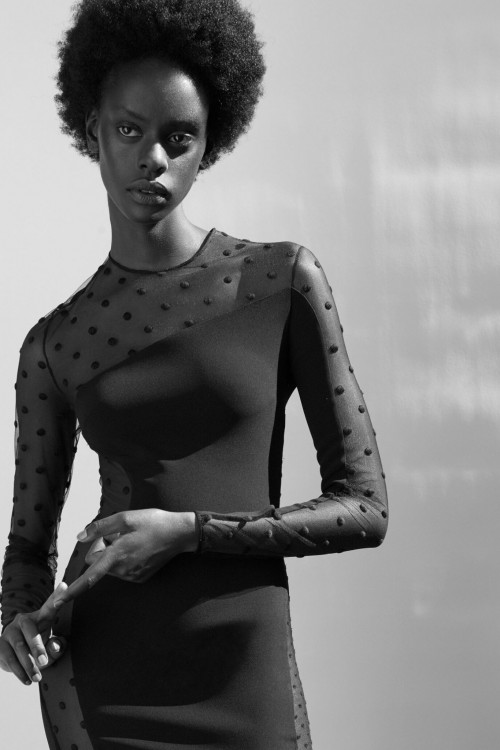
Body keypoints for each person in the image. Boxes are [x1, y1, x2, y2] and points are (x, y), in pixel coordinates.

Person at [0, 0, 388, 747]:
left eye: (179, 138)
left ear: (209, 144)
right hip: (100, 686)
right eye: (129, 130)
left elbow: (366, 509)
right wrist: (18, 621)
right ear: (92, 132)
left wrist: (189, 533)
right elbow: (25, 551)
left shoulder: (279, 282)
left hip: (246, 671)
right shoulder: (54, 343)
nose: (153, 158)